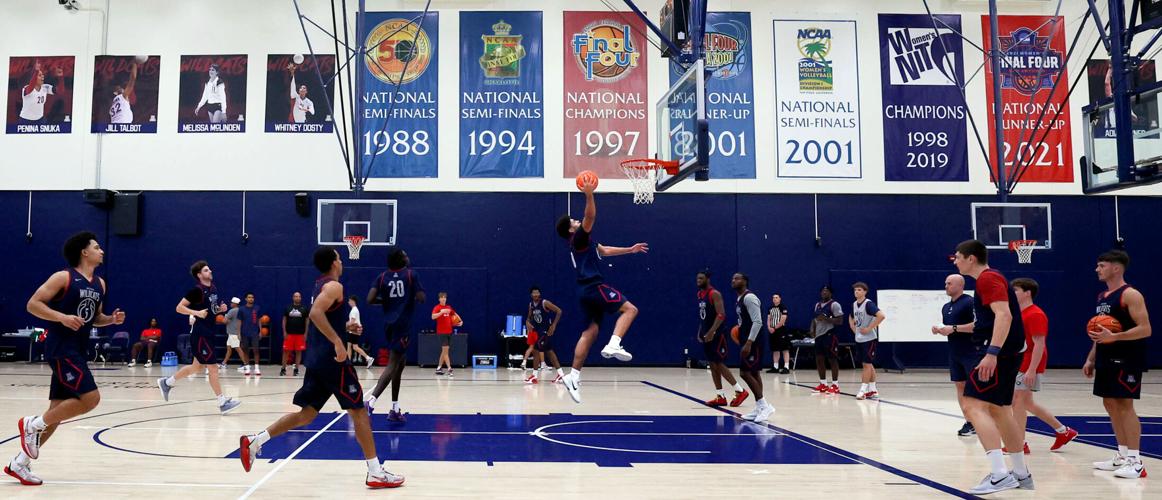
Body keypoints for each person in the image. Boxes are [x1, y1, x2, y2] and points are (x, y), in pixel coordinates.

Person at [239, 247, 404, 489]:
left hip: (316, 360)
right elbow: (316, 313)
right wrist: (338, 342)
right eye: (339, 256)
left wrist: (346, 330)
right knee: (358, 412)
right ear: (334, 262)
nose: (341, 259)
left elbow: (322, 317)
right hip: (333, 362)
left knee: (307, 414)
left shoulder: (319, 285)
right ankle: (375, 471)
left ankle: (255, 441)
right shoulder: (335, 286)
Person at [9, 232, 125, 486]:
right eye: (97, 247)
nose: (101, 251)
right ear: (84, 252)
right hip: (61, 348)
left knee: (57, 413)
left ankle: (19, 464)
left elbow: (94, 317)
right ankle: (31, 424)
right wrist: (61, 317)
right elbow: (33, 304)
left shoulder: (100, 284)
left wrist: (110, 320)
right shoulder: (63, 277)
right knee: (91, 399)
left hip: (78, 348)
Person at [554, 175, 647, 404]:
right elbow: (590, 215)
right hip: (594, 286)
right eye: (574, 221)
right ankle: (614, 343)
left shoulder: (584, 245)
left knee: (590, 332)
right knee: (630, 310)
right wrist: (589, 193)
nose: (578, 221)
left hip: (584, 293)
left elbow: (605, 250)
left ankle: (573, 376)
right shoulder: (578, 238)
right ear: (570, 229)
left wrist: (631, 249)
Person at [951, 239, 1030, 495]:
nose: (955, 260)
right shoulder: (988, 280)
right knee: (1001, 411)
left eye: (958, 257)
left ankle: (999, 474)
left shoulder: (988, 279)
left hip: (1000, 353)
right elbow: (989, 320)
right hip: (1007, 351)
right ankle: (1021, 473)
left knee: (972, 406)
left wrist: (992, 353)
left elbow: (1004, 315)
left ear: (971, 258)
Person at [1085, 249, 1152, 478]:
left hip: (1127, 358)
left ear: (1116, 267)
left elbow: (1145, 329)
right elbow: (1099, 332)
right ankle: (1122, 455)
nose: (1097, 269)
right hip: (1106, 357)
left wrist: (1116, 337)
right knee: (1110, 404)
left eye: (1101, 265)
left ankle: (1136, 461)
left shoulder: (1131, 294)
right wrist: (1091, 357)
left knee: (1125, 406)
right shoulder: (1102, 297)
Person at [157, 261, 241, 414]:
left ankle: (167, 383)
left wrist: (220, 310)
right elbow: (179, 307)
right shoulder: (196, 291)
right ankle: (222, 402)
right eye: (206, 270)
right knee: (213, 367)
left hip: (209, 332)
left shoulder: (213, 289)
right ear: (199, 275)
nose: (210, 271)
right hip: (200, 334)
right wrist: (196, 313)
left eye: (209, 269)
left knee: (197, 367)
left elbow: (211, 310)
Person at [1010, 278, 1077, 453]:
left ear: (1027, 293)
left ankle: (1019, 443)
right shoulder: (1019, 313)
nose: (1012, 293)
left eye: (1015, 290)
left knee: (1017, 402)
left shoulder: (1035, 314)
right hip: (1020, 361)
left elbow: (1039, 344)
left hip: (1029, 362)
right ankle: (1063, 431)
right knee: (1027, 403)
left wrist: (1031, 370)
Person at [365, 248, 425, 422]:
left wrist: (387, 301)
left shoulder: (382, 277)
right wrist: (411, 296)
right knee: (393, 363)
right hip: (403, 325)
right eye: (405, 254)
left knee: (400, 364)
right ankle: (371, 401)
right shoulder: (411, 275)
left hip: (389, 325)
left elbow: (369, 299)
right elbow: (421, 297)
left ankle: (394, 408)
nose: (408, 256)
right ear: (400, 259)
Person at [931, 274, 977, 437]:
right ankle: (970, 422)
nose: (946, 286)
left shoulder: (970, 302)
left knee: (975, 389)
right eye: (945, 283)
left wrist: (954, 328)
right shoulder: (946, 306)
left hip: (972, 353)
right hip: (954, 352)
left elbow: (977, 326)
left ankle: (980, 420)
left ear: (960, 285)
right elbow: (950, 328)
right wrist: (940, 329)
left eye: (949, 283)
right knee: (960, 386)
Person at [695, 270, 748, 407]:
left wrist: (712, 331)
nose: (698, 281)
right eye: (697, 279)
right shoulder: (700, 294)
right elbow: (704, 316)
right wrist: (701, 331)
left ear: (708, 279)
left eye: (701, 278)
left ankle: (740, 390)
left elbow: (721, 315)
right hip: (707, 334)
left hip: (718, 335)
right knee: (712, 365)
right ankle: (720, 396)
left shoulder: (714, 294)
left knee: (718, 363)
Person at [733, 273, 773, 423]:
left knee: (745, 372)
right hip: (747, 339)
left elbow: (758, 322)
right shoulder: (740, 298)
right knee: (754, 373)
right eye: (733, 279)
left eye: (737, 278)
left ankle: (764, 405)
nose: (734, 280)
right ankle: (759, 407)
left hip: (754, 341)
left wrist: (749, 342)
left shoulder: (750, 298)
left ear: (745, 281)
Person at [849, 282, 886, 400]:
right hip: (859, 338)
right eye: (855, 290)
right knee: (868, 364)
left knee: (867, 365)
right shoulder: (854, 304)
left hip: (869, 339)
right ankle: (873, 390)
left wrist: (870, 328)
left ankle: (863, 390)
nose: (856, 292)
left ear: (865, 291)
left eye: (859, 290)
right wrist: (853, 328)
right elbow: (851, 317)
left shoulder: (868, 304)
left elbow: (881, 315)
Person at [527, 286, 565, 384]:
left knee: (537, 351)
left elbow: (559, 311)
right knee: (549, 352)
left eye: (537, 292)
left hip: (545, 332)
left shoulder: (544, 302)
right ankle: (560, 374)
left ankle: (534, 376)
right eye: (534, 293)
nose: (536, 294)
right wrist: (527, 322)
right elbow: (529, 317)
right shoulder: (531, 304)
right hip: (536, 331)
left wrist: (554, 325)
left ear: (540, 294)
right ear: (531, 294)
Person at [809, 286, 843, 394]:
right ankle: (823, 384)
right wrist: (812, 330)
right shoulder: (817, 305)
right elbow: (815, 319)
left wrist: (827, 319)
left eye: (826, 291)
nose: (824, 292)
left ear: (831, 293)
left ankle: (835, 385)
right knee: (819, 360)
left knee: (832, 359)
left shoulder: (834, 305)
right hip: (818, 336)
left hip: (830, 335)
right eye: (822, 291)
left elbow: (840, 320)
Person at [18, 61, 66, 125]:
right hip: (26, 121)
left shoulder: (45, 88)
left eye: (42, 75)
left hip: (40, 120)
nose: (43, 76)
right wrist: (36, 71)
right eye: (40, 75)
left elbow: (60, 91)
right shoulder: (26, 88)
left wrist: (60, 77)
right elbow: (31, 87)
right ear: (33, 77)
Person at [280, 292, 307, 376]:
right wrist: (284, 332)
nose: (297, 298)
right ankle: (283, 368)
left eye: (299, 296)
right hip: (289, 334)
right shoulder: (288, 308)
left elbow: (307, 321)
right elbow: (284, 320)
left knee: (298, 352)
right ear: (293, 298)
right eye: (296, 296)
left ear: (301, 298)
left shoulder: (304, 309)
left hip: (300, 334)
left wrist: (306, 333)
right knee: (286, 352)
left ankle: (296, 369)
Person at [431, 292, 457, 377]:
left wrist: (460, 321)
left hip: (449, 332)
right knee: (446, 352)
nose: (443, 299)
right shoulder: (437, 307)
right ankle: (449, 369)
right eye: (442, 297)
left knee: (444, 351)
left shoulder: (448, 307)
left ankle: (439, 368)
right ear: (439, 299)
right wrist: (441, 312)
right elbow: (433, 317)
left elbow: (454, 314)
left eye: (445, 297)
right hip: (442, 333)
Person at [221, 297, 251, 372]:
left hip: (233, 333)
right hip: (235, 333)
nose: (231, 304)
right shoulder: (241, 310)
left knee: (238, 348)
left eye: (232, 303)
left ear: (235, 304)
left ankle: (245, 364)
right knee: (229, 348)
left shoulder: (232, 311)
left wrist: (226, 319)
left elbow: (224, 321)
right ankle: (224, 363)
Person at [239, 293, 262, 377]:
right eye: (249, 297)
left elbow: (259, 320)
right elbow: (239, 322)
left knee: (256, 350)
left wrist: (260, 331)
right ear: (246, 299)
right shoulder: (241, 309)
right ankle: (247, 367)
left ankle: (256, 368)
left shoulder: (257, 308)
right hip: (244, 332)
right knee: (246, 350)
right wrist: (238, 333)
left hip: (255, 332)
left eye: (252, 297)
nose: (251, 299)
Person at [347, 295, 373, 368]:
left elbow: (352, 322)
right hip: (353, 330)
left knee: (354, 347)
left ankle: (368, 358)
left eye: (349, 301)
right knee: (349, 345)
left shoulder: (354, 310)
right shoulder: (354, 310)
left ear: (353, 301)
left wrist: (345, 325)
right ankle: (348, 362)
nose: (348, 302)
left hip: (354, 330)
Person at [766, 294, 790, 374]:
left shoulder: (783, 307)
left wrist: (775, 328)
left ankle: (786, 367)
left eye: (776, 297)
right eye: (773, 297)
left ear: (780, 299)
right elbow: (768, 319)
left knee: (784, 349)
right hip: (772, 331)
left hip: (781, 330)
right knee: (775, 349)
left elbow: (783, 319)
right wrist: (769, 327)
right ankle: (775, 367)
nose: (774, 299)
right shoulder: (770, 308)